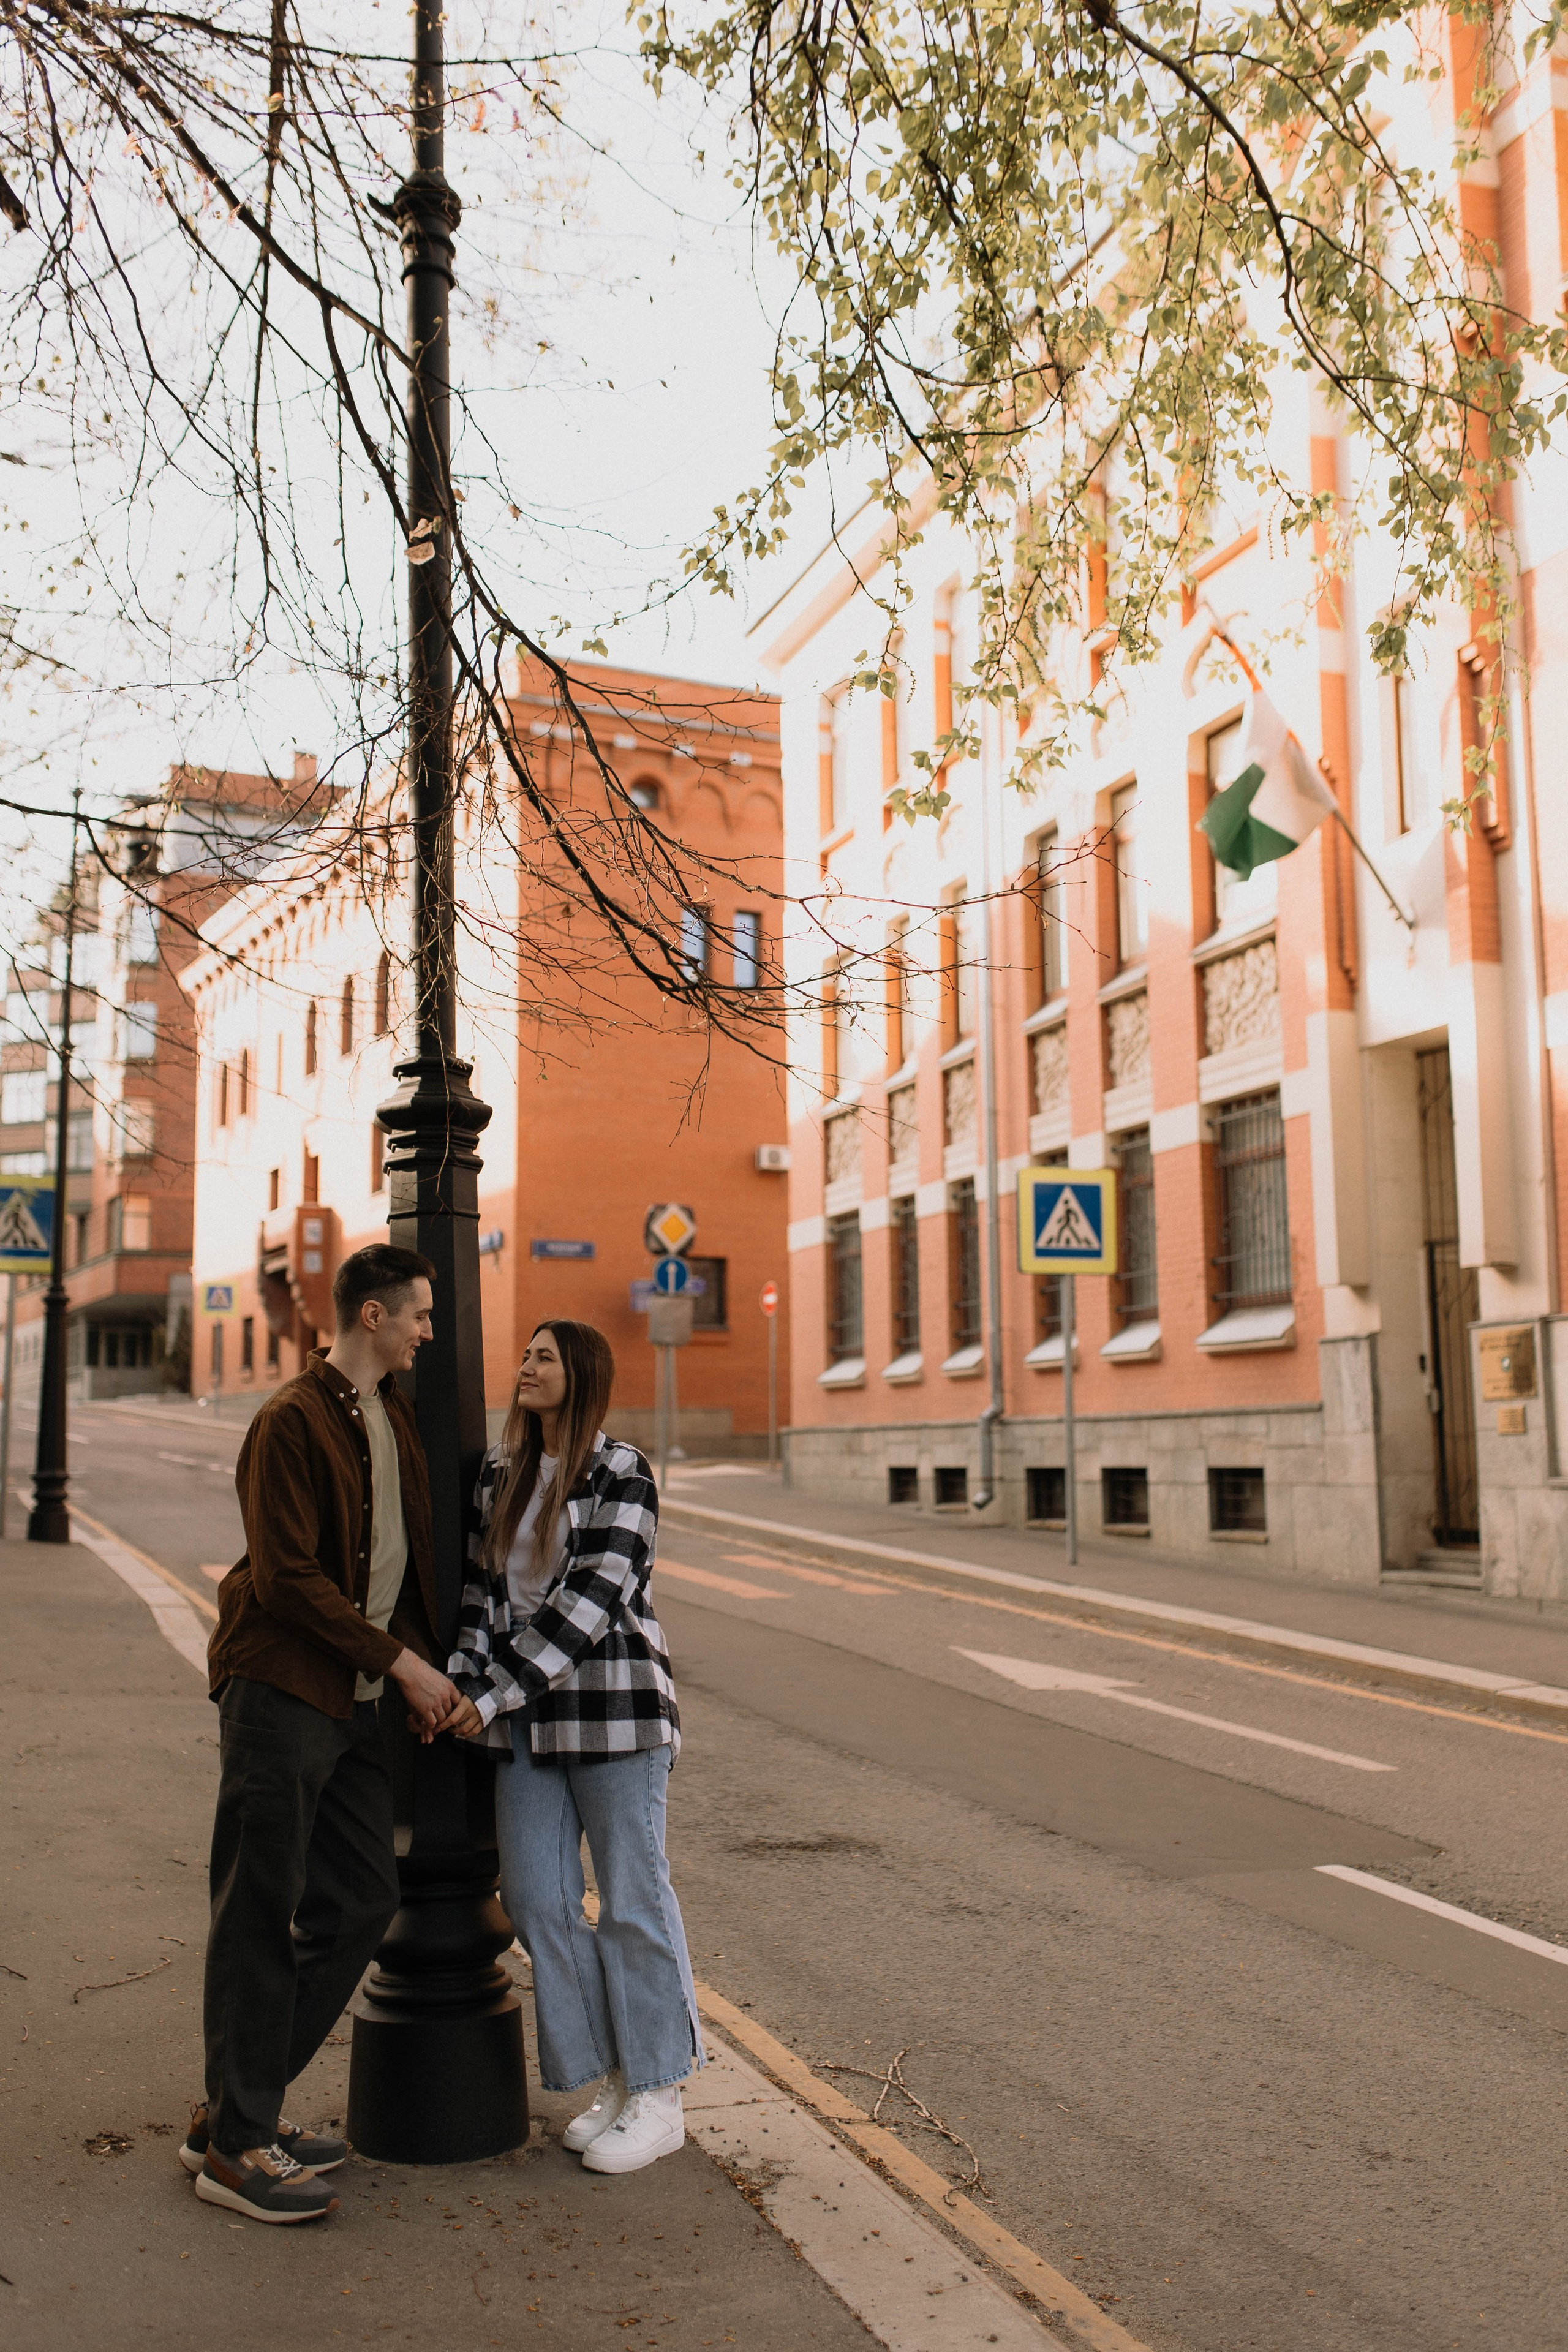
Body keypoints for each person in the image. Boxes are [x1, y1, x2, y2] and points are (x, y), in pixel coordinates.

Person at [187, 1244, 459, 2225]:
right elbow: (285, 1580)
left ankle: (233, 2113)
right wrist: (405, 1666)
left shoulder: (388, 1415)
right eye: (421, 1315)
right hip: (285, 1690)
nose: (433, 1331)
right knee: (261, 1907)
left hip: (357, 1699)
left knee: (359, 1900)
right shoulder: (289, 1420)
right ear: (375, 1316)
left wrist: (422, 1675)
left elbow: (406, 1558)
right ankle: (237, 2146)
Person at [444, 1319, 702, 2174]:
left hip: (617, 1714)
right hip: (528, 1721)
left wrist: (485, 1696)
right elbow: (483, 1597)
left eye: (544, 1357)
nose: (525, 1366)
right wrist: (461, 1683)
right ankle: (617, 2079)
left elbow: (588, 1609)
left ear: (582, 1374)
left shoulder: (621, 1471)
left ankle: (662, 2090)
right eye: (524, 1354)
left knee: (632, 1898)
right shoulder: (500, 1473)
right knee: (538, 1901)